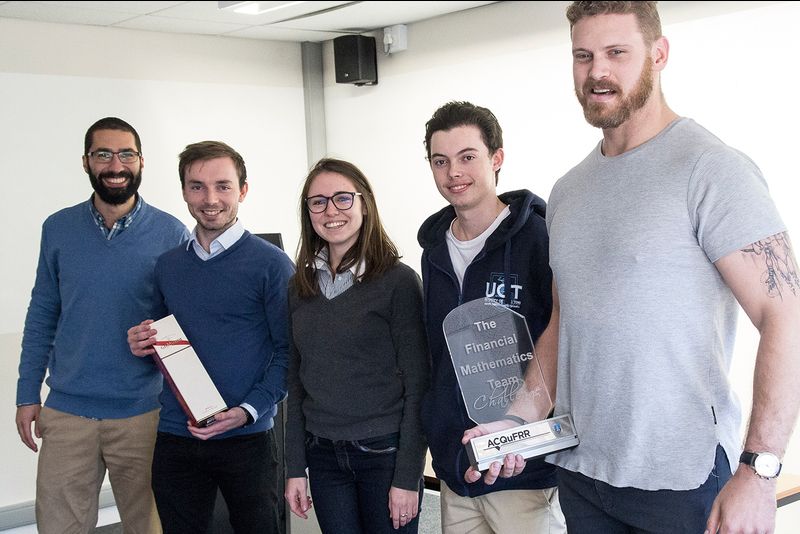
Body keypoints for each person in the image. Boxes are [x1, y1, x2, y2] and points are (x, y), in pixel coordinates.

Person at [465, 2, 800, 533]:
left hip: (680, 481)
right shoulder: (568, 191)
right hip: (583, 473)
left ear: (659, 54)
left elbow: (786, 315)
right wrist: (516, 422)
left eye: (617, 53)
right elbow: (561, 325)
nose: (597, 71)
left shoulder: (711, 169)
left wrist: (759, 471)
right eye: (583, 55)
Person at [15, 117, 190, 534]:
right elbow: (43, 314)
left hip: (145, 412)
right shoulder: (57, 229)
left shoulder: (172, 232)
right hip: (67, 413)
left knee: (150, 527)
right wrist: (27, 393)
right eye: (103, 154)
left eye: (126, 153)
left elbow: (185, 324)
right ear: (86, 162)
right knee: (59, 527)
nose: (116, 164)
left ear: (141, 162)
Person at [126, 140, 295, 534]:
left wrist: (249, 410)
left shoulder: (272, 265)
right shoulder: (168, 265)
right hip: (176, 432)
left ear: (243, 191)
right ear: (184, 191)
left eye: (222, 185)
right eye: (197, 186)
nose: (210, 198)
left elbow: (290, 354)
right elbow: (163, 340)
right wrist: (141, 343)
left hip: (246, 437)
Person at [417, 101, 566, 534]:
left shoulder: (540, 240)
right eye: (440, 161)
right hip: (457, 466)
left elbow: (561, 339)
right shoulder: (434, 252)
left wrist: (523, 427)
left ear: (496, 159)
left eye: (467, 157)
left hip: (523, 467)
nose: (453, 173)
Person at [283, 158, 431, 533]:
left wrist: (408, 477)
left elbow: (419, 385)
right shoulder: (300, 286)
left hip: (383, 453)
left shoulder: (398, 282)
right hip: (323, 455)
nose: (330, 210)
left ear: (365, 203)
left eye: (343, 199)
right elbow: (297, 382)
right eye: (318, 201)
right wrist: (294, 468)